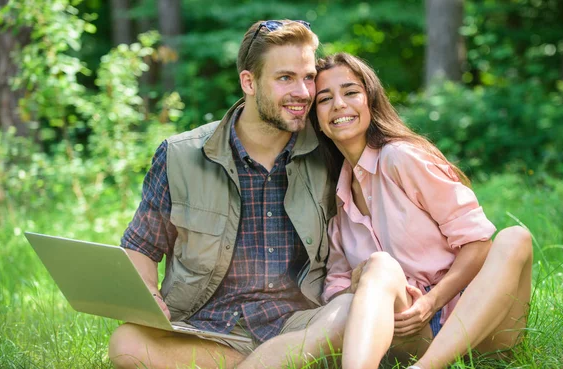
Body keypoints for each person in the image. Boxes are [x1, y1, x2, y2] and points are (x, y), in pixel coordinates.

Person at [108, 21, 353, 369]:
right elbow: (140, 248)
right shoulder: (180, 156)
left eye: (309, 77)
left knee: (350, 313)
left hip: (299, 326)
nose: (303, 92)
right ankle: (268, 364)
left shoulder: (330, 152)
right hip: (207, 330)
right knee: (126, 343)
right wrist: (147, 290)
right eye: (285, 78)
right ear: (248, 82)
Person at [311, 53, 533, 369]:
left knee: (516, 238)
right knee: (377, 266)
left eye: (350, 92)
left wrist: (431, 302)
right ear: (316, 118)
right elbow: (336, 289)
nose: (338, 105)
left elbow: (478, 243)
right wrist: (364, 281)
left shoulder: (401, 158)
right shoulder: (336, 197)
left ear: (370, 101)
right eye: (324, 99)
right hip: (410, 333)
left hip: (477, 324)